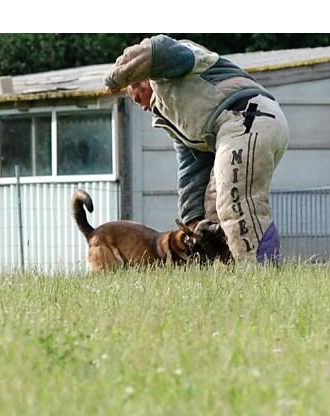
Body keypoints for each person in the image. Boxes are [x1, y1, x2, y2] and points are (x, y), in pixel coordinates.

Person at [104, 34, 289, 264]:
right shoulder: (171, 114)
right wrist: (192, 219)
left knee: (236, 202)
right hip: (235, 127)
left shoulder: (173, 62)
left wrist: (115, 78)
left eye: (134, 97)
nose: (139, 106)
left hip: (246, 115)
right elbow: (191, 166)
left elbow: (157, 47)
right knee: (213, 213)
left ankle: (262, 273)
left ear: (141, 79)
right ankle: (227, 274)